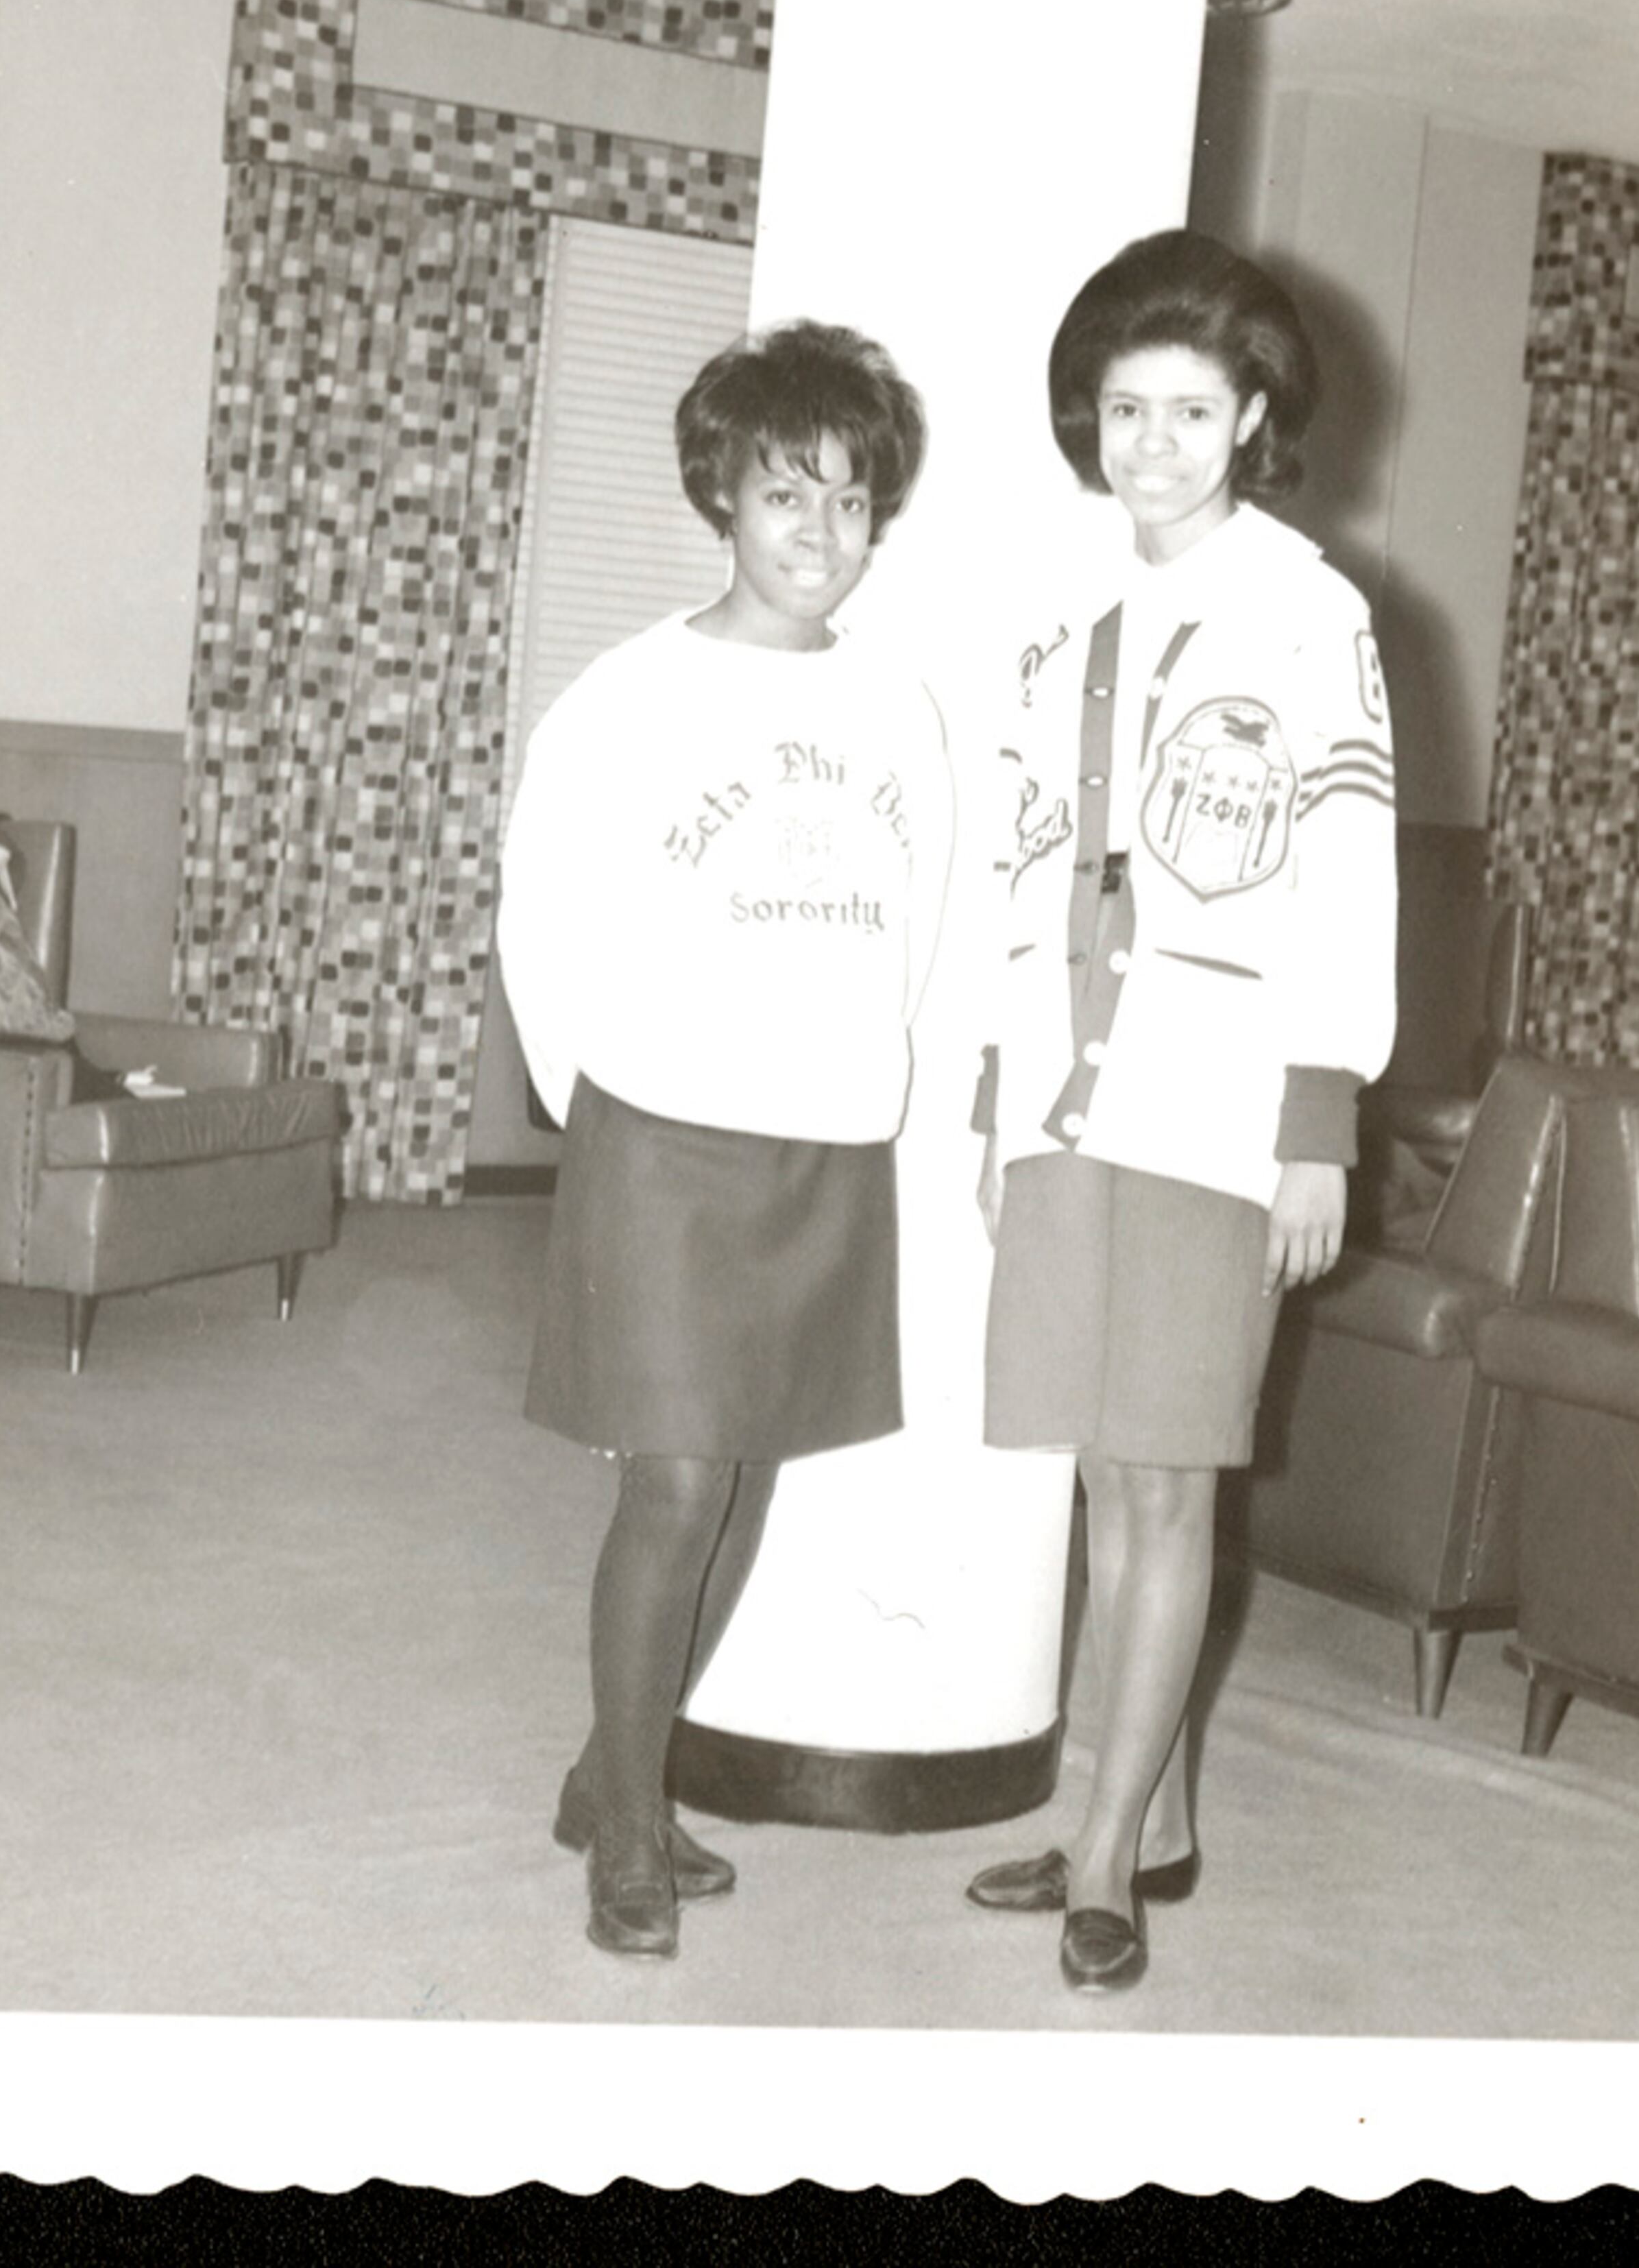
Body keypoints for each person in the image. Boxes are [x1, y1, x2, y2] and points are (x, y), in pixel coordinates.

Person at [964, 230, 1399, 1993]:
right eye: (1127, 408)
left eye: (1193, 411)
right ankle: (1138, 1815)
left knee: (1165, 1480)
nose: (1154, 443)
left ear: (1253, 421)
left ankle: (1100, 1859)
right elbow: (1019, 865)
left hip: (1218, 1104)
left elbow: (1349, 874)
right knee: (1101, 1471)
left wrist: (1319, 1118)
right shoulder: (1059, 604)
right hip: (1065, 1099)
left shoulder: (1310, 609)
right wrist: (997, 1093)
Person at [497, 320, 950, 1962]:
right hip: (667, 1137)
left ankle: (608, 1772)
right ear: (723, 497)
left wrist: (855, 1071)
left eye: (848, 501)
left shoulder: (897, 706)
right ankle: (633, 1824)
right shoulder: (633, 696)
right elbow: (540, 914)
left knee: (746, 1472)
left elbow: (914, 923)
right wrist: (602, 1096)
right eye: (784, 494)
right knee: (676, 1479)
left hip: (822, 1135)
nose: (818, 533)